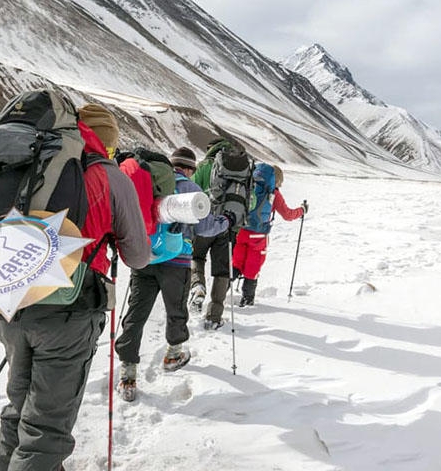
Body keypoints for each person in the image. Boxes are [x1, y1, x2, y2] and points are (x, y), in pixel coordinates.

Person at [0, 103, 150, 471]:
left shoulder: (35, 163)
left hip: (14, 299)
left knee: (20, 406)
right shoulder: (111, 177)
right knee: (47, 426)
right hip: (70, 309)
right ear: (109, 142)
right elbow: (138, 257)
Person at [115, 147, 231, 400]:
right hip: (177, 261)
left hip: (144, 257)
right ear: (190, 168)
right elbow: (206, 227)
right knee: (176, 310)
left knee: (136, 312)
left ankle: (128, 372)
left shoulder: (151, 181)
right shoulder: (190, 189)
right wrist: (227, 222)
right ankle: (173, 354)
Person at [233, 165, 306, 306]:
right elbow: (288, 215)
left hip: (241, 232)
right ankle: (247, 300)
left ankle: (220, 297)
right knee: (252, 268)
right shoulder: (273, 194)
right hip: (258, 237)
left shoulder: (249, 187)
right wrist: (301, 210)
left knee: (236, 264)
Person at [188, 137, 235, 328]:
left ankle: (198, 285)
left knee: (197, 257)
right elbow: (252, 200)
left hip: (203, 224)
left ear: (210, 149)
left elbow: (190, 191)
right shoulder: (237, 168)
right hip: (226, 226)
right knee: (222, 270)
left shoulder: (204, 166)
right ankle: (214, 317)